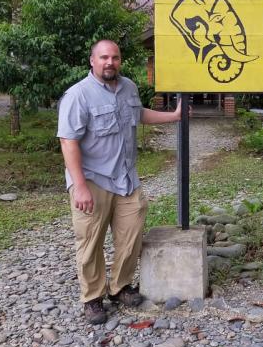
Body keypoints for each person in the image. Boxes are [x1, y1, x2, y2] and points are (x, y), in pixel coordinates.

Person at [57, 40, 182, 324]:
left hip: (126, 179)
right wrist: (79, 186)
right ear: (92, 61)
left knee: (131, 237)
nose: (109, 62)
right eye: (103, 57)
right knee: (90, 242)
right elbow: (68, 141)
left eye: (114, 57)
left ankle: (119, 287)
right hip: (92, 181)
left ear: (120, 60)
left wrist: (173, 116)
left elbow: (138, 115)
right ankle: (92, 298)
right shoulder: (78, 95)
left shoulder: (128, 88)